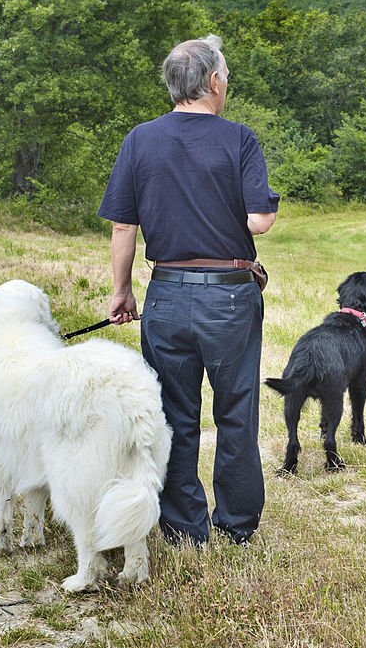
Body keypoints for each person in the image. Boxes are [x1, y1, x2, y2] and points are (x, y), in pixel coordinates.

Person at [98, 35, 279, 545]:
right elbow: (259, 222)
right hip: (229, 296)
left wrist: (121, 291)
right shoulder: (239, 139)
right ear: (214, 81)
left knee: (174, 415)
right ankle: (237, 527)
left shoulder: (140, 139)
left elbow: (122, 227)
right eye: (226, 76)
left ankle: (183, 528)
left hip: (166, 294)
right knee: (235, 411)